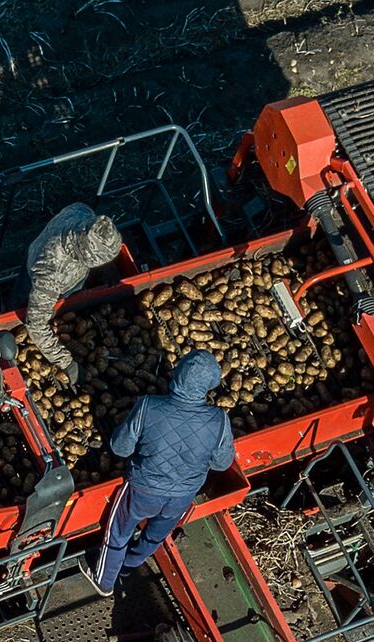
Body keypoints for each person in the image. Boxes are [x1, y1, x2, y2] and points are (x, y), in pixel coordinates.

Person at [80, 349, 235, 597]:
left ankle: (104, 581)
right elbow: (221, 463)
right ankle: (129, 566)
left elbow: (120, 448)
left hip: (143, 490)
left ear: (178, 375)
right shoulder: (219, 419)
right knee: (155, 536)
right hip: (182, 496)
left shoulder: (148, 406)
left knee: (118, 531)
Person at [22, 203, 124, 384]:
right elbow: (35, 324)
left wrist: (107, 266)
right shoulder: (50, 273)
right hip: (37, 278)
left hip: (72, 276)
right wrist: (67, 363)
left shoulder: (83, 213)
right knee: (22, 302)